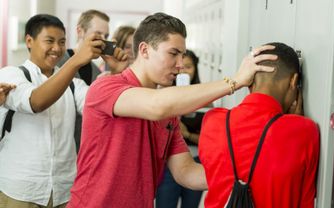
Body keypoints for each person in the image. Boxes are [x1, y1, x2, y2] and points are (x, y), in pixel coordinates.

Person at [67, 12, 277, 208]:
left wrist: (248, 173)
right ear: (144, 50)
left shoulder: (169, 114)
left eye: (182, 55)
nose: (180, 64)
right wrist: (235, 82)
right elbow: (156, 105)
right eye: (173, 54)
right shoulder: (106, 87)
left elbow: (186, 172)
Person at [0, 14, 127, 208]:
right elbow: (36, 102)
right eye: (49, 41)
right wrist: (76, 60)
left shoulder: (75, 85)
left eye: (61, 42)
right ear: (29, 41)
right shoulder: (12, 74)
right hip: (20, 191)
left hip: (63, 190)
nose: (57, 49)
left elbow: (105, 108)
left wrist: (119, 73)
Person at [198, 42, 320, 208]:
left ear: (248, 81)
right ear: (294, 81)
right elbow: (305, 202)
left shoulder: (212, 121)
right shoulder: (305, 131)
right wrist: (294, 124)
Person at [57, 9, 128, 152]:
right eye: (98, 34)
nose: (103, 40)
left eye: (106, 35)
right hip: (59, 148)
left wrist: (116, 73)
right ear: (80, 31)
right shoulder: (58, 62)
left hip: (85, 149)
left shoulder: (97, 71)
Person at [156, 49, 204, 208]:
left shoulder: (205, 99)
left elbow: (207, 139)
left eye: (189, 67)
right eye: (181, 67)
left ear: (196, 69)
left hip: (196, 160)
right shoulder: (163, 96)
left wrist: (187, 134)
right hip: (168, 162)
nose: (184, 71)